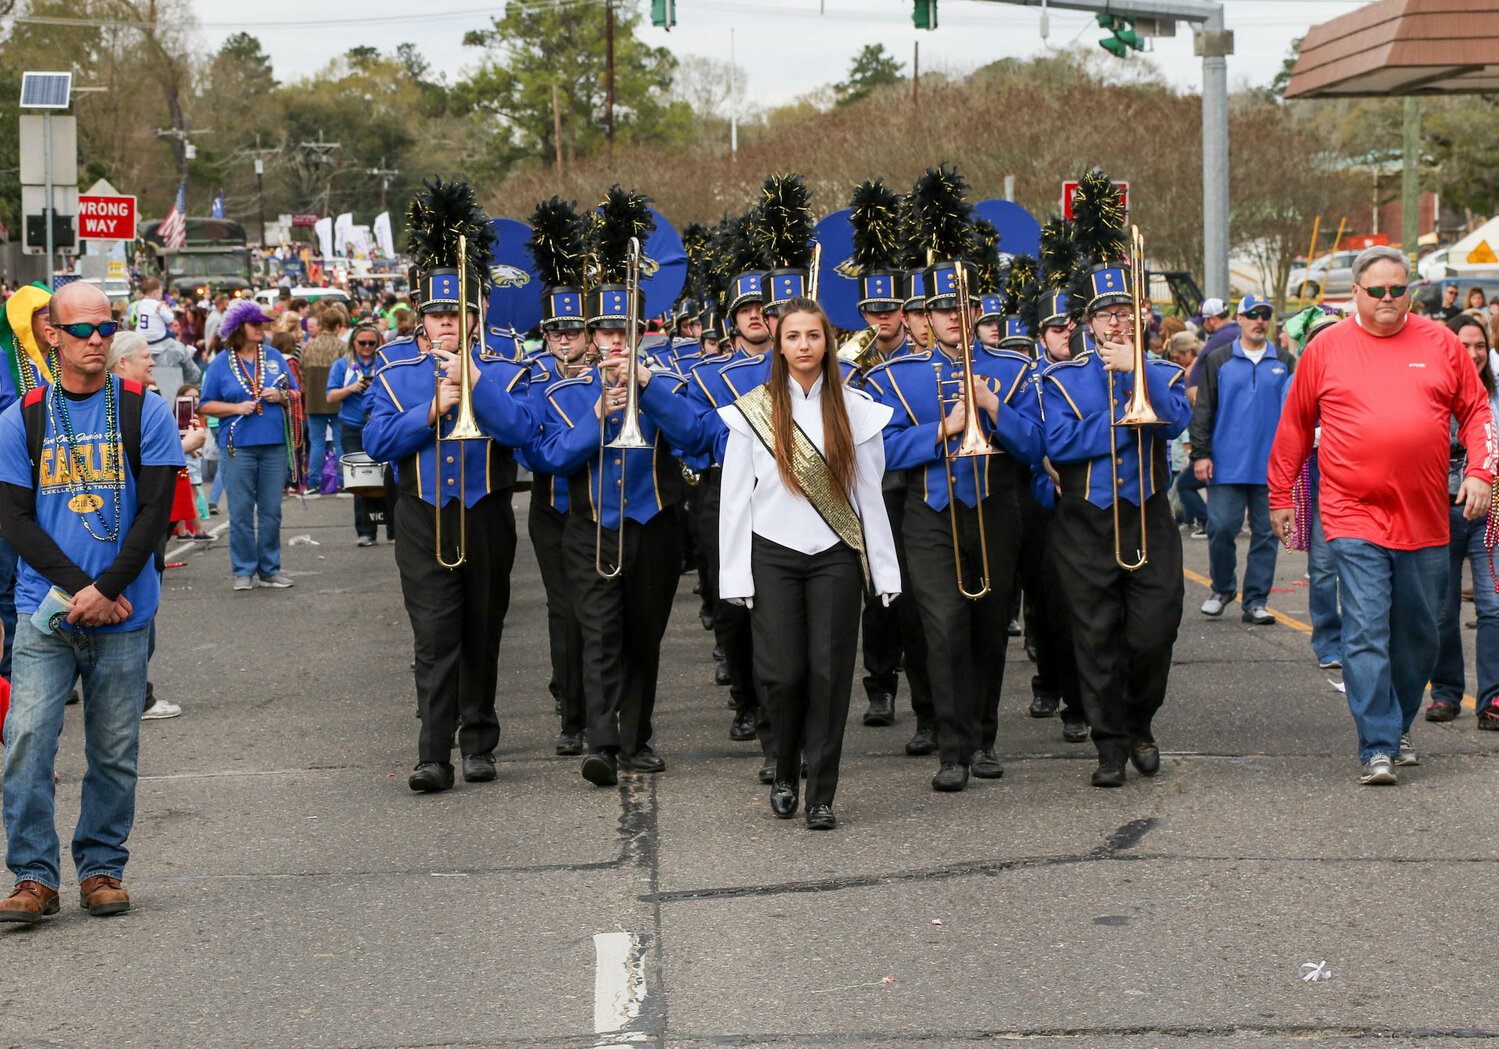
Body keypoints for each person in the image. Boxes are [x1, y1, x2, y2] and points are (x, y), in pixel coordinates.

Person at [1268, 245, 1495, 785]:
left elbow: (1477, 409)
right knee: (1366, 628)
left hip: (1425, 516)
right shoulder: (1326, 349)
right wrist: (1280, 495)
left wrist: (1482, 471)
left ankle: (1397, 726)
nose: (1390, 299)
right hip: (1352, 514)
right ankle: (1377, 745)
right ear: (1356, 294)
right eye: (1378, 291)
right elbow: (1296, 424)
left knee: (1420, 633)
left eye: (1399, 289)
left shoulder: (1441, 343)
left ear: (1410, 291)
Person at [0, 282, 184, 923]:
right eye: (84, 330)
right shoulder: (22, 417)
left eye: (107, 328)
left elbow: (156, 511)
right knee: (26, 740)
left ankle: (102, 868)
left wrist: (108, 590)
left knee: (113, 748)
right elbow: (15, 520)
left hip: (125, 611)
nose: (99, 340)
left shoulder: (144, 409)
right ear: (52, 334)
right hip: (43, 609)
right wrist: (81, 589)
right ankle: (33, 877)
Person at [364, 178, 534, 793]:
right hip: (421, 512)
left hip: (487, 507)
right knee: (434, 634)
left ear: (476, 311)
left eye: (456, 312)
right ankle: (432, 752)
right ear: (421, 316)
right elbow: (378, 444)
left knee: (483, 629)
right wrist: (432, 409)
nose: (444, 324)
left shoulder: (507, 362)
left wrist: (476, 383)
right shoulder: (393, 365)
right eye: (436, 314)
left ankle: (479, 739)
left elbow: (521, 432)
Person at [531, 188, 698, 787]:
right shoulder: (562, 393)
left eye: (623, 331)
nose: (613, 342)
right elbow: (549, 457)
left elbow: (696, 437)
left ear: (639, 331)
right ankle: (602, 741)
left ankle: (638, 736)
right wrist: (598, 414)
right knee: (598, 630)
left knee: (643, 633)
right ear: (593, 336)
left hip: (656, 522)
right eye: (603, 332)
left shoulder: (668, 377)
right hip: (591, 524)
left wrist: (648, 388)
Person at [718, 298, 899, 829]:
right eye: (793, 336)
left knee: (829, 674)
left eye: (813, 336)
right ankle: (782, 767)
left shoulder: (858, 408)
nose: (803, 345)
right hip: (772, 553)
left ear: (828, 342)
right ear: (780, 344)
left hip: (835, 557)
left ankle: (821, 792)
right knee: (780, 674)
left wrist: (884, 573)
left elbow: (870, 497)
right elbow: (735, 500)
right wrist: (735, 574)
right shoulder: (753, 410)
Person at [867, 244, 1041, 793]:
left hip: (996, 508)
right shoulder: (895, 377)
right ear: (923, 315)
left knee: (989, 628)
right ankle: (953, 747)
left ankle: (985, 738)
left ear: (976, 312)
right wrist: (943, 429)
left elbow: (1036, 445)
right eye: (939, 308)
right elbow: (881, 453)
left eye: (960, 308)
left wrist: (992, 409)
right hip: (929, 512)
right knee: (942, 630)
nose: (951, 318)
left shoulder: (1013, 369)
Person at [1040, 171, 1194, 788]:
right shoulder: (1058, 378)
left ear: (1140, 316)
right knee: (1095, 635)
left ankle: (1140, 721)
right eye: (1105, 315)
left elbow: (1176, 421)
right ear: (1087, 322)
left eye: (1124, 312)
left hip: (1150, 514)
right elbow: (1058, 443)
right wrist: (1115, 415)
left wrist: (1141, 376)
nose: (1114, 323)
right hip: (1084, 519)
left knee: (1155, 631)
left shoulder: (1161, 370)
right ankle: (1108, 744)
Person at [843, 177, 933, 737]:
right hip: (869, 486)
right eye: (871, 308)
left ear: (904, 312)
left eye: (890, 309)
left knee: (916, 596)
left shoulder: (921, 358)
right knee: (876, 592)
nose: (880, 318)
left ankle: (925, 696)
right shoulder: (850, 356)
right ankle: (880, 687)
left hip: (913, 485)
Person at [520, 196, 591, 755]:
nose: (564, 339)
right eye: (556, 330)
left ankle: (610, 704)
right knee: (564, 609)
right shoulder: (530, 375)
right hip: (554, 505)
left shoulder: (609, 373)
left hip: (603, 502)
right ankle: (571, 708)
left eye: (574, 330)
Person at [1190, 293, 1292, 625]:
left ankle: (1256, 601)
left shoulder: (1287, 361)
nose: (1260, 320)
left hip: (1272, 467)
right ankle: (1221, 589)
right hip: (1226, 463)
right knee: (1219, 527)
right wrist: (1201, 453)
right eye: (1253, 314)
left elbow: (1295, 414)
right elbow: (1203, 409)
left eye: (1266, 314)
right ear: (1240, 318)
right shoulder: (1219, 359)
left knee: (1267, 535)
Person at [1425, 314, 1499, 726]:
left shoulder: (1496, 392)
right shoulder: (1431, 390)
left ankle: (1493, 699)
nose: (1472, 354)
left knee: (1494, 607)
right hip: (1439, 512)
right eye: (1464, 345)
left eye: (1479, 346)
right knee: (1442, 610)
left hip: (1491, 514)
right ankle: (1447, 693)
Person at [199, 299, 299, 591]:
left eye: (263, 324)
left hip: (275, 444)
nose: (261, 329)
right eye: (255, 324)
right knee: (241, 512)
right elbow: (205, 405)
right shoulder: (221, 362)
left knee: (271, 511)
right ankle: (243, 570)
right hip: (238, 446)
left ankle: (270, 570)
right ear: (238, 328)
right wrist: (235, 408)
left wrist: (280, 397)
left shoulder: (274, 356)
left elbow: (294, 392)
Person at [0, 283, 52, 678]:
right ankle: (15, 673)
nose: (52, 320)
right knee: (7, 581)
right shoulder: (6, 358)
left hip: (50, 485)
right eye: (42, 313)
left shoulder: (58, 357)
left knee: (44, 573)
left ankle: (46, 667)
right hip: (10, 483)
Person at [325, 323, 385, 545]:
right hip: (351, 427)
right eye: (362, 343)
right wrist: (352, 388)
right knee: (362, 481)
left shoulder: (383, 362)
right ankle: (366, 532)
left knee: (387, 477)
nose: (367, 347)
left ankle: (393, 530)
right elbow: (330, 396)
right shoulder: (342, 365)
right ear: (353, 343)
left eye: (372, 343)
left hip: (380, 425)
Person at [300, 302, 349, 491]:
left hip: (314, 399)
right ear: (337, 326)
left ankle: (314, 482)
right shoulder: (342, 347)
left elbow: (303, 374)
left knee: (316, 442)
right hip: (337, 399)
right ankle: (344, 480)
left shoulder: (308, 347)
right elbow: (348, 373)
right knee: (339, 441)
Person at [1184, 297, 1237, 400]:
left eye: (1203, 321)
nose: (1203, 325)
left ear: (1212, 319)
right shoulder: (1235, 332)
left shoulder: (1221, 338)